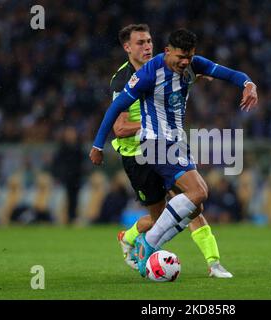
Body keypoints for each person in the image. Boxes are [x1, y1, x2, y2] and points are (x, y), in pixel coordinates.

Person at [90, 28, 258, 277]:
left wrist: (248, 84)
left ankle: (211, 263)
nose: (185, 62)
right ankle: (149, 244)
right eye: (140, 42)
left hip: (174, 143)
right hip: (149, 148)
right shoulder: (139, 75)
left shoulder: (189, 65)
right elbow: (118, 115)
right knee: (197, 193)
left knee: (193, 206)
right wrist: (97, 144)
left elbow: (230, 74)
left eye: (149, 41)